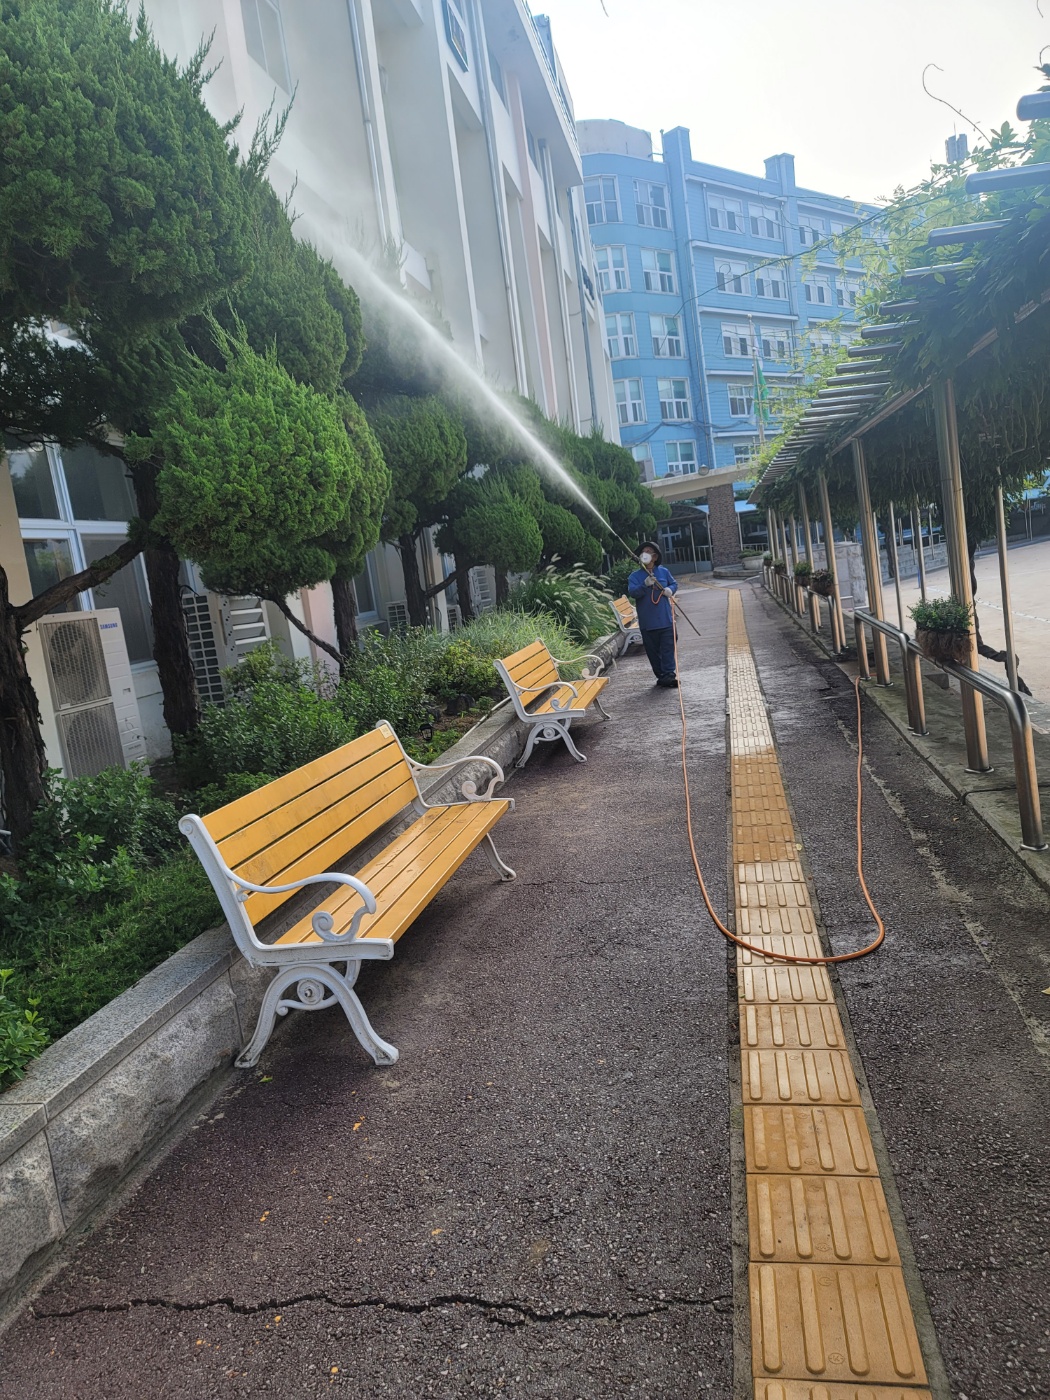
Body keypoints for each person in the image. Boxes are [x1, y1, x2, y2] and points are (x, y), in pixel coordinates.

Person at [627, 541, 680, 688]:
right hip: (648, 622)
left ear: (655, 557)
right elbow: (633, 592)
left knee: (668, 647)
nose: (645, 554)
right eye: (643, 551)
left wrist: (670, 590)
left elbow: (674, 584)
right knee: (653, 652)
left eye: (649, 551)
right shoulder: (634, 576)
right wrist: (644, 585)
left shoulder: (664, 572)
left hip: (665, 619)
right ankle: (661, 676)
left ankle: (669, 674)